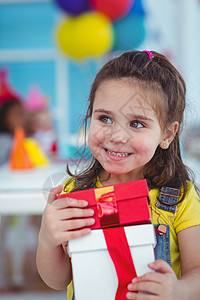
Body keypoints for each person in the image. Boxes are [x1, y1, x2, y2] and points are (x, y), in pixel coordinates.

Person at [36, 50, 200, 299]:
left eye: (137, 123)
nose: (116, 136)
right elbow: (57, 280)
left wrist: (181, 290)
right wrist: (48, 240)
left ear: (167, 134)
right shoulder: (74, 194)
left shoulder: (181, 198)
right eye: (105, 118)